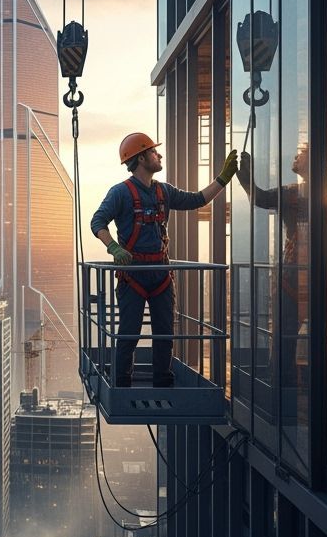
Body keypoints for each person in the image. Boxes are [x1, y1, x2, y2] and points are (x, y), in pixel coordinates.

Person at [90, 132, 238, 387]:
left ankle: (162, 378)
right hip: (133, 276)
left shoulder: (163, 192)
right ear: (140, 158)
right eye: (153, 152)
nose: (159, 155)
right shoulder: (120, 193)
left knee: (165, 332)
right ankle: (122, 380)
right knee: (128, 332)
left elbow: (196, 200)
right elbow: (98, 221)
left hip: (160, 275)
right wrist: (113, 247)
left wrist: (222, 180)